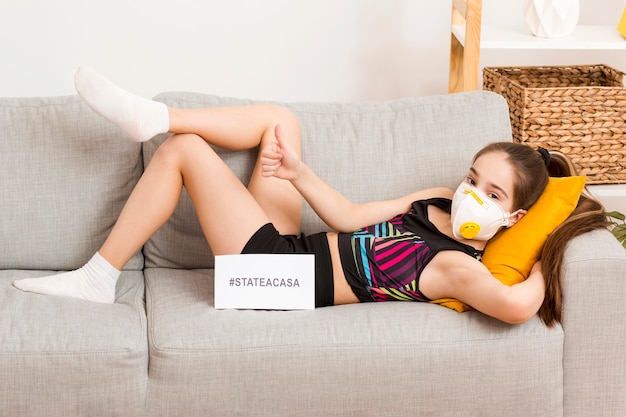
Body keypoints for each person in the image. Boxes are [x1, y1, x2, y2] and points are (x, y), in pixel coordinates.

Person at [12, 66, 609, 327]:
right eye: (474, 177)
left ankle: (98, 274)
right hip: (291, 249)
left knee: (183, 150)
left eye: (491, 192)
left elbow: (517, 306)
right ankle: (155, 114)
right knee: (280, 122)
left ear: (515, 215)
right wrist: (296, 174)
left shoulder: (458, 268)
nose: (472, 193)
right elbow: (349, 216)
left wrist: (544, 246)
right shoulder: (437, 203)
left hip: (274, 283)